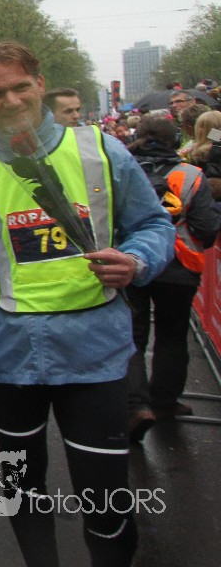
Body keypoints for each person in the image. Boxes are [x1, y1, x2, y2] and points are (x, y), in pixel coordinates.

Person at [0, 42, 174, 567]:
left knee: (104, 500)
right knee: (22, 489)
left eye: (21, 87)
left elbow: (154, 225)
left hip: (94, 354)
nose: (12, 101)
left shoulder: (102, 151)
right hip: (9, 356)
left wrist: (136, 260)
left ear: (40, 85)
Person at [124, 116, 219, 440]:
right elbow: (207, 227)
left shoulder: (123, 170)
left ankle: (136, 406)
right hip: (179, 266)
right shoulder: (191, 175)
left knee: (132, 336)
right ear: (175, 141)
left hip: (130, 262)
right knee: (172, 336)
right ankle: (164, 402)